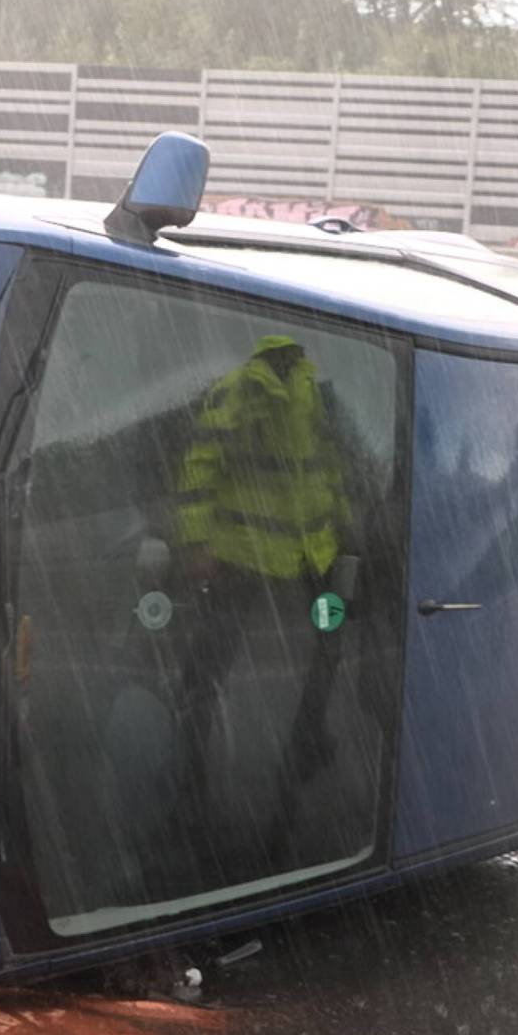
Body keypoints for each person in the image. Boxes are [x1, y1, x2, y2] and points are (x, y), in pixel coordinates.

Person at [168, 335, 356, 873]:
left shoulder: (310, 389)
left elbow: (327, 463)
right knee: (216, 651)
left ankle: (307, 729)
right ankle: (191, 742)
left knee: (328, 635)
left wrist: (344, 522)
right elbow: (199, 468)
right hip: (247, 554)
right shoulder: (238, 393)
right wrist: (198, 541)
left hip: (307, 552)